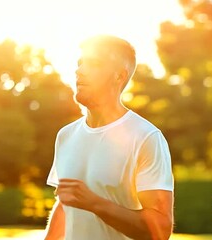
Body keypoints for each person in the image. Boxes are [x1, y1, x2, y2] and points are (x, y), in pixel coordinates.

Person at [44, 35, 174, 240]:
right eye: (80, 63)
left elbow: (161, 229)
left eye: (93, 63)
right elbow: (65, 206)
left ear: (119, 76)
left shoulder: (146, 137)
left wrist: (95, 203)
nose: (79, 71)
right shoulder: (66, 135)